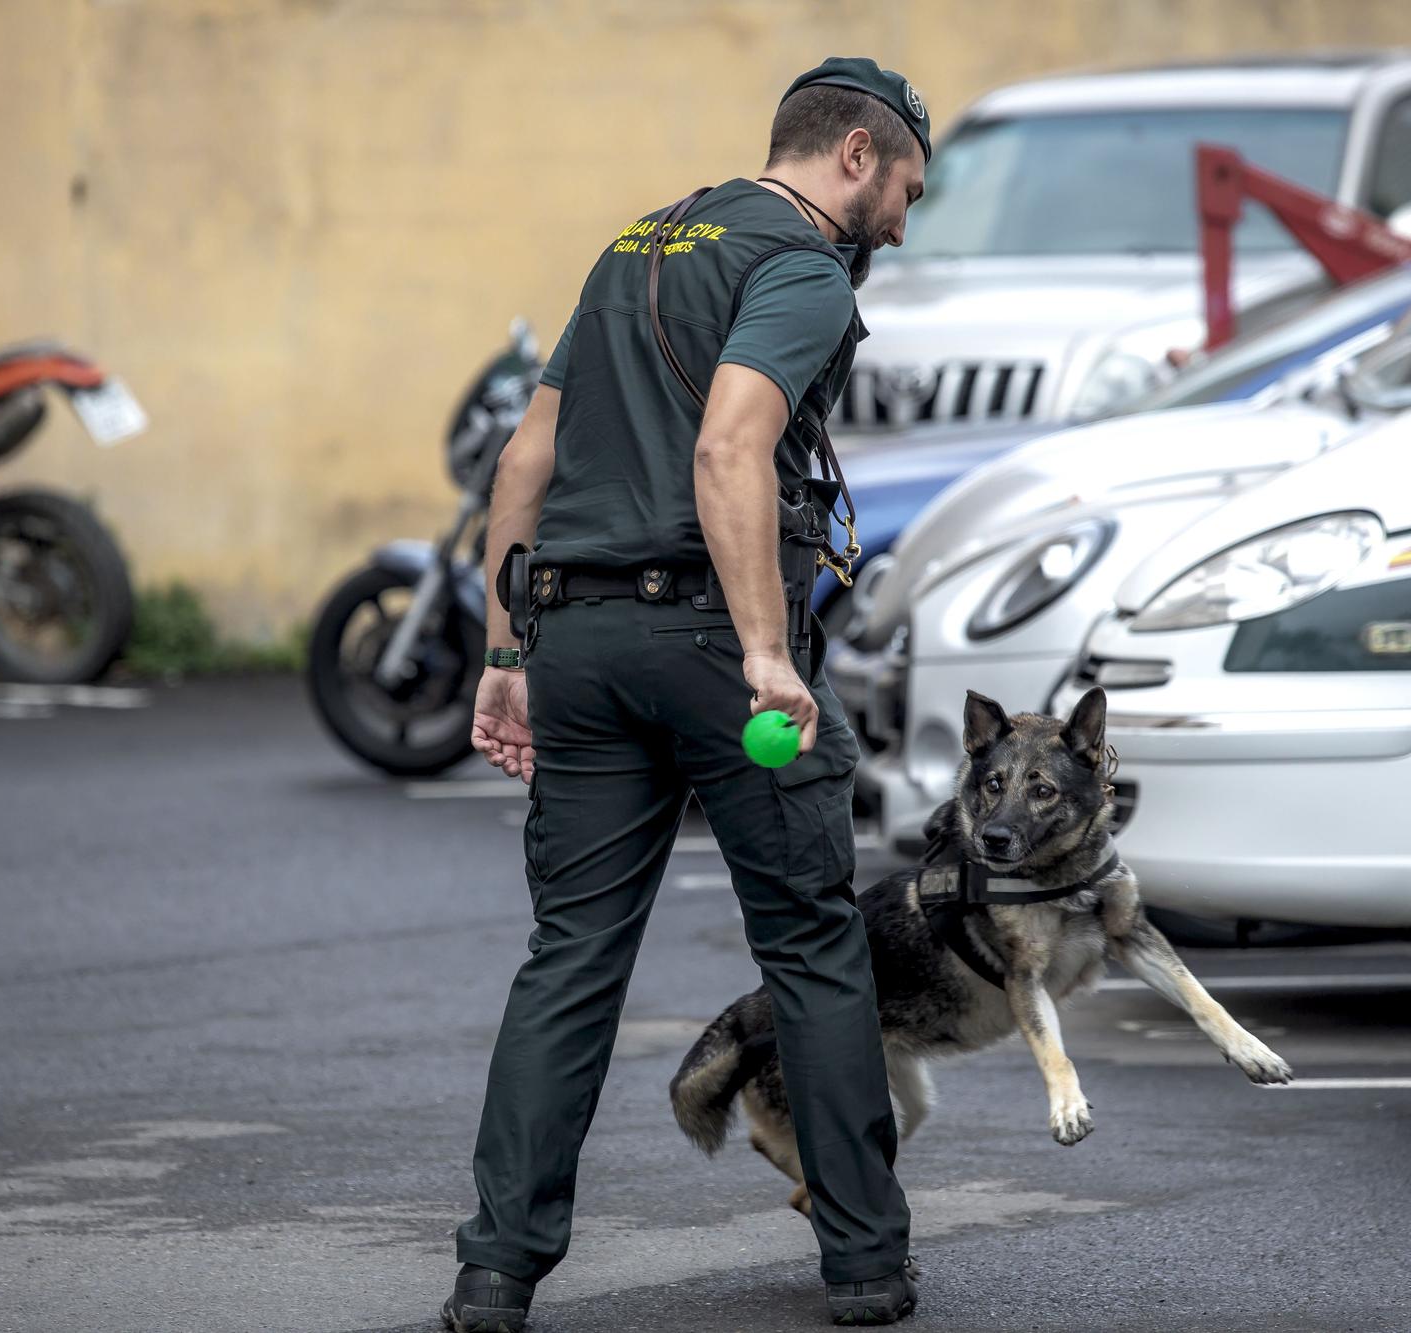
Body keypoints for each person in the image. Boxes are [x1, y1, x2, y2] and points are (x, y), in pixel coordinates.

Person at [443, 56, 931, 1331]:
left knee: (568, 960)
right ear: (856, 156)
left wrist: (504, 658)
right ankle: (864, 1265)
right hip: (716, 645)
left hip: (580, 642)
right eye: (907, 191)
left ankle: (493, 1273)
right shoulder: (800, 265)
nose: (903, 222)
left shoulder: (635, 246)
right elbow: (730, 441)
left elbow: (526, 461)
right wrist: (766, 652)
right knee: (815, 944)